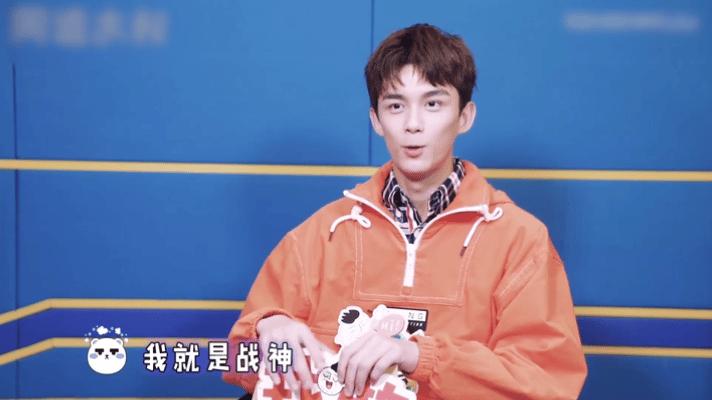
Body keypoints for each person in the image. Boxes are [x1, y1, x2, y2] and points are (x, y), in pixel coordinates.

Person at [223, 23, 587, 399]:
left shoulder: (520, 240)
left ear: (464, 116)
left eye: (433, 104)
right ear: (376, 121)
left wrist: (417, 356)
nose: (413, 125)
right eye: (396, 106)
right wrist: (266, 327)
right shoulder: (322, 234)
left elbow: (545, 383)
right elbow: (237, 365)